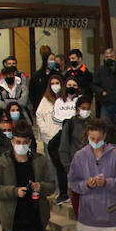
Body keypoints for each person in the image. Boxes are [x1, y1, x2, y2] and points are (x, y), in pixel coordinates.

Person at [36, 74, 72, 202]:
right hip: (49, 138)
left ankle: (65, 190)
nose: (55, 86)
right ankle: (56, 189)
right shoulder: (45, 100)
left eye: (57, 83)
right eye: (52, 83)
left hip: (62, 138)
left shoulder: (65, 100)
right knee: (52, 164)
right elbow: (39, 116)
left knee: (64, 164)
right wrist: (45, 131)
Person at [95, 48, 116, 129]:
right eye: (107, 57)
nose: (109, 59)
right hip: (106, 103)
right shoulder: (101, 70)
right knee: (104, 127)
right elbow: (94, 85)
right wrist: (101, 92)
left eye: (111, 56)